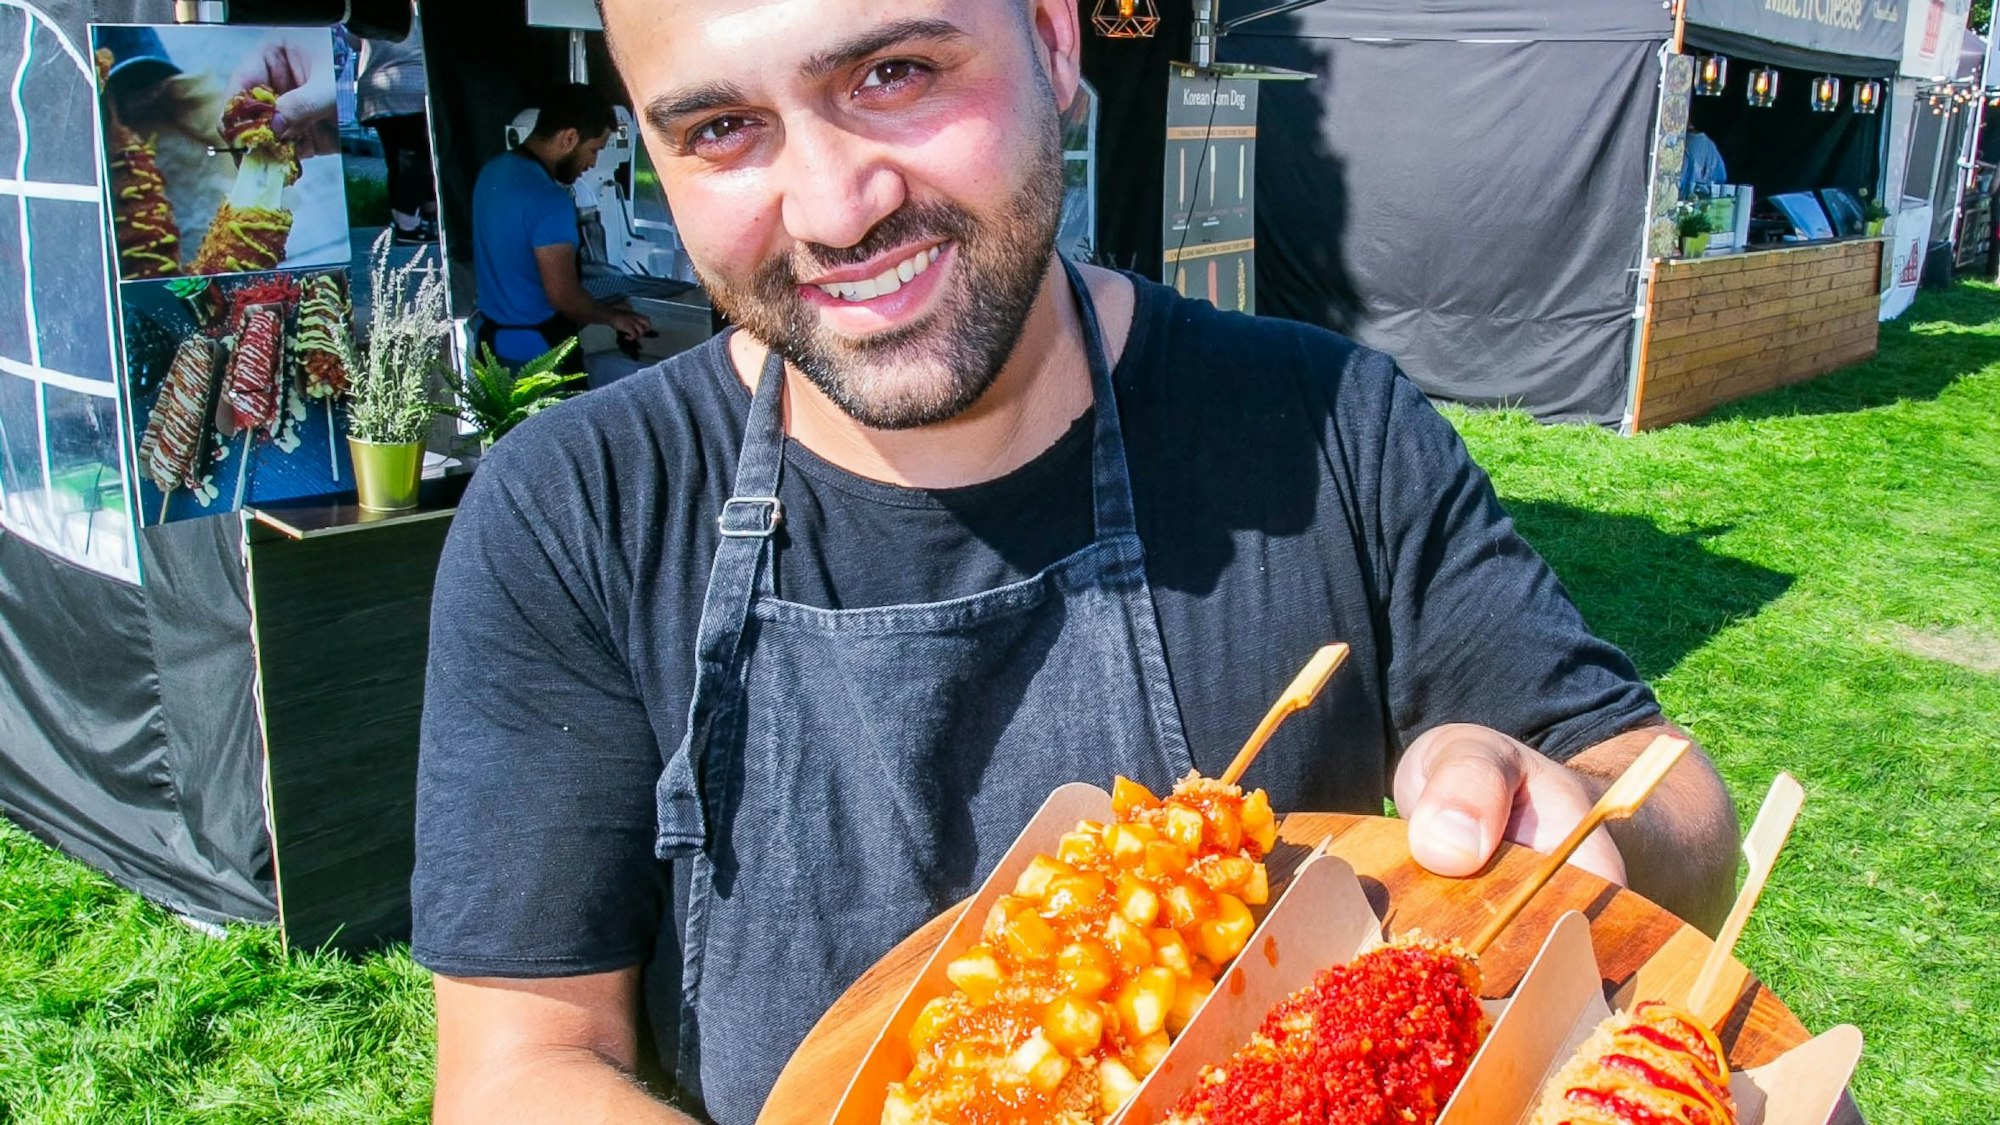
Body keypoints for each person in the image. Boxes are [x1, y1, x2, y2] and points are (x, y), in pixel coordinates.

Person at [413, 3, 1741, 1123]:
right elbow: (519, 1063)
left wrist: (1570, 810)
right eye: (720, 130)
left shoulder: (1331, 430)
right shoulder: (576, 510)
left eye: (894, 72)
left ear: (1054, 42)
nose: (829, 211)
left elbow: (1679, 811)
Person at [470, 82, 652, 367]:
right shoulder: (549, 200)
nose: (592, 163)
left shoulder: (492, 171)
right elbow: (563, 297)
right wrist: (613, 317)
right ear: (569, 138)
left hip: (490, 345)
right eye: (593, 150)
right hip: (537, 355)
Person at [356, 24, 437, 244]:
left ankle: (411, 218)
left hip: (375, 88)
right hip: (414, 84)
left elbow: (354, 40)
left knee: (397, 159)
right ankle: (409, 226)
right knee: (416, 157)